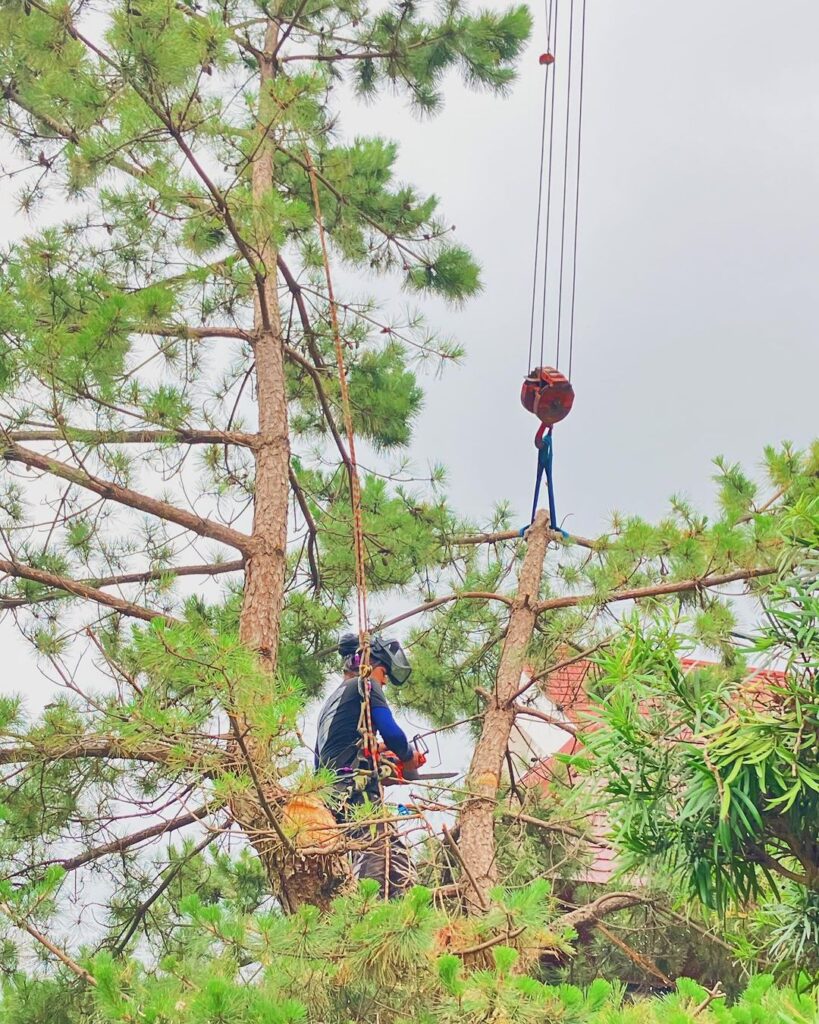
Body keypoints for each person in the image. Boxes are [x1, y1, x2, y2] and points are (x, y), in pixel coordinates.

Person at [314, 633, 422, 896]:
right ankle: (386, 918)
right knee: (384, 860)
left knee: (364, 854)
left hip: (333, 799)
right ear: (369, 665)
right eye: (384, 672)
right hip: (354, 793)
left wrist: (379, 760)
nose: (384, 680)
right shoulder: (366, 686)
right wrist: (408, 759)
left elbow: (332, 754)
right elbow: (394, 735)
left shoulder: (333, 703)